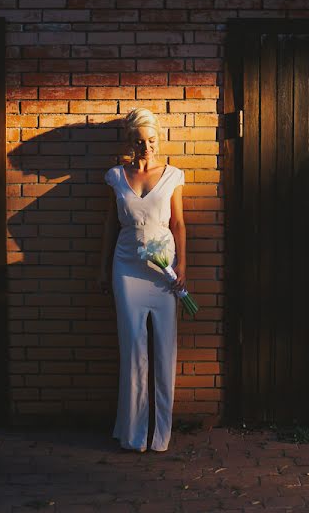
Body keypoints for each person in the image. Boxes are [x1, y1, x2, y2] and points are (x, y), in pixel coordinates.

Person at [98, 108, 187, 452]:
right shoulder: (116, 177)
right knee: (133, 350)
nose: (146, 147)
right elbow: (110, 225)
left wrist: (183, 266)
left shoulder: (172, 176)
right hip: (126, 270)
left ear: (158, 140)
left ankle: (160, 434)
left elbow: (178, 225)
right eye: (139, 141)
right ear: (130, 142)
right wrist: (101, 269)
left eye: (151, 140)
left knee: (165, 350)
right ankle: (134, 434)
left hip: (163, 273)